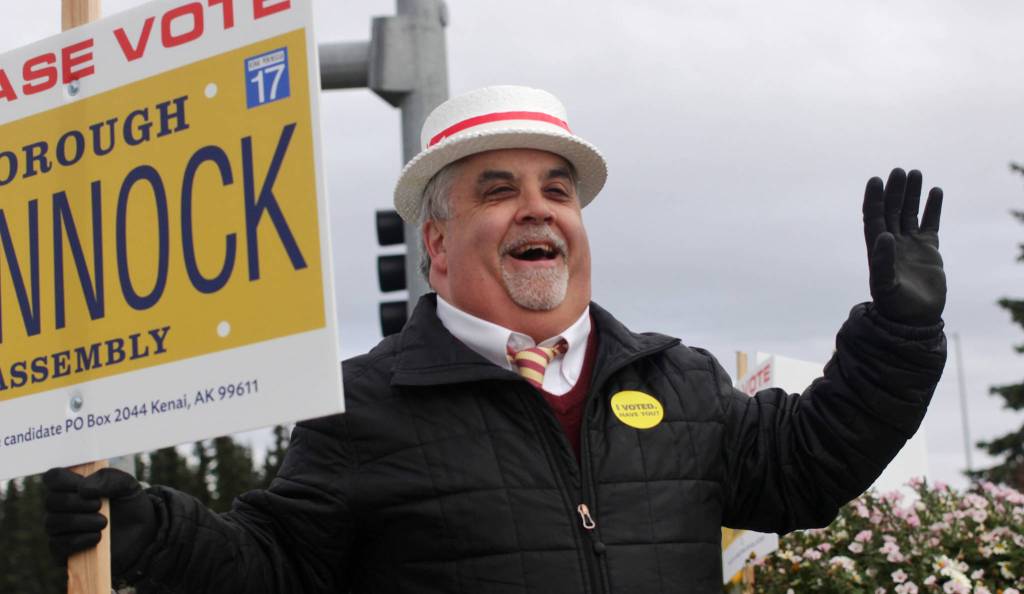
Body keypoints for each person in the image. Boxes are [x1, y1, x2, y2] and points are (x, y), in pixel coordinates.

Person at [43, 85, 947, 593]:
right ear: (437, 242)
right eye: (499, 189)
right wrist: (150, 530)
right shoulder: (361, 409)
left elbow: (811, 464)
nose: (539, 208)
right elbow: (276, 568)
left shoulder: (682, 382)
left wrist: (899, 337)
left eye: (558, 189)